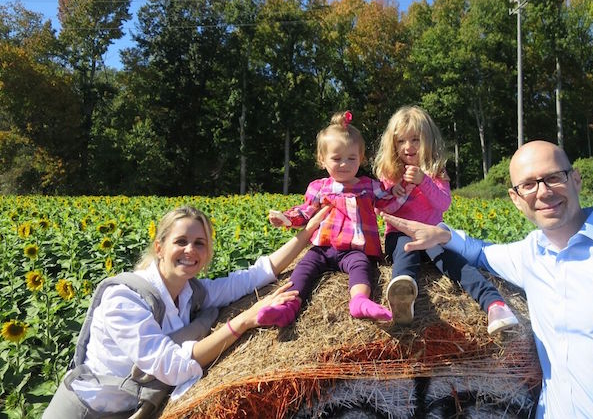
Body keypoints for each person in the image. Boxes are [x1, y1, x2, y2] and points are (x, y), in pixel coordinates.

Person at [381, 140, 593, 418]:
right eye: (528, 184)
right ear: (516, 199)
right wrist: (439, 233)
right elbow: (479, 251)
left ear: (576, 179)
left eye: (553, 177)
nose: (543, 192)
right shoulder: (530, 255)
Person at [44, 204, 329, 418]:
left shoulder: (191, 292)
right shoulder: (125, 298)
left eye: (199, 244)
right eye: (181, 241)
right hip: (86, 413)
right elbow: (173, 367)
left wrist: (307, 235)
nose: (190, 250)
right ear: (159, 247)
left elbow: (254, 276)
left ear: (207, 254)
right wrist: (245, 320)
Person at [373, 105, 518, 332]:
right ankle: (402, 293)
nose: (408, 147)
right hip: (399, 235)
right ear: (393, 145)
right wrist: (397, 192)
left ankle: (495, 304)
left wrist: (424, 181)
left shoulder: (436, 171)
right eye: (401, 141)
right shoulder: (389, 174)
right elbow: (382, 210)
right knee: (405, 249)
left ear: (428, 140)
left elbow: (443, 203)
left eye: (415, 139)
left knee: (456, 263)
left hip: (432, 234)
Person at [262, 111, 408, 327]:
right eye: (336, 159)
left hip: (355, 249)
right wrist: (287, 218)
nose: (344, 164)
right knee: (304, 268)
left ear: (361, 158)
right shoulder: (319, 187)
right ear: (322, 160)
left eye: (352, 158)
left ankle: (359, 300)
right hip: (323, 248)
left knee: (361, 268)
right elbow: (306, 211)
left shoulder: (369, 186)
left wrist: (400, 190)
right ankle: (288, 306)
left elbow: (388, 204)